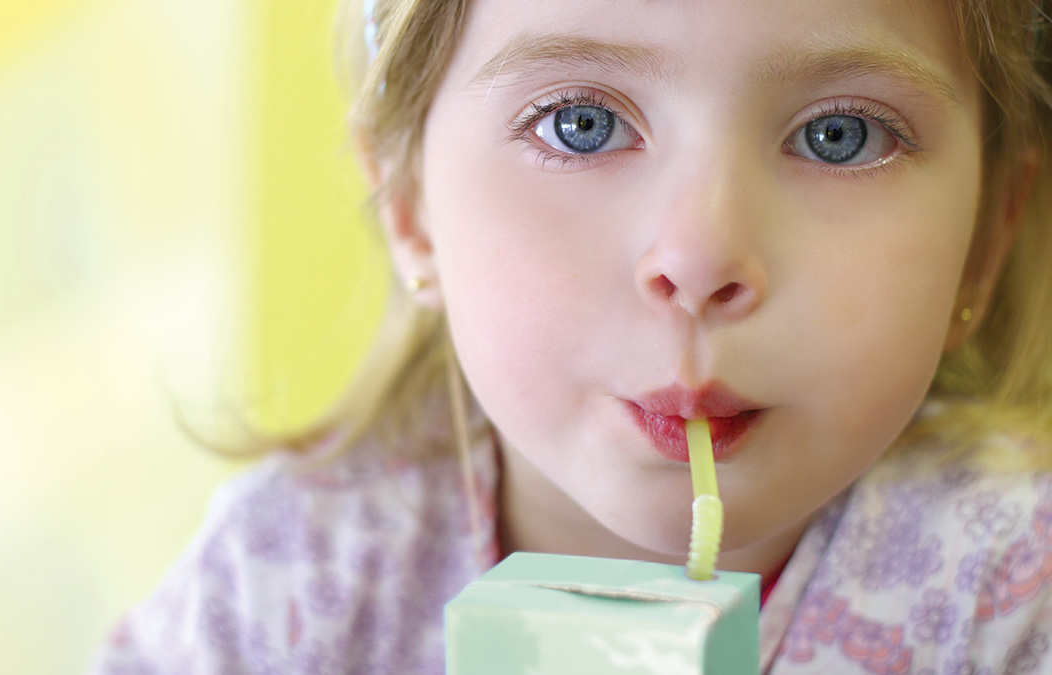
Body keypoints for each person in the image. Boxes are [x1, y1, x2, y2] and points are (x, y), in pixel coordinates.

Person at [90, 0, 1052, 672]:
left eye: (840, 135)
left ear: (982, 242)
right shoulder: (289, 580)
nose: (700, 254)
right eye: (583, 124)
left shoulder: (1014, 594)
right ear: (411, 206)